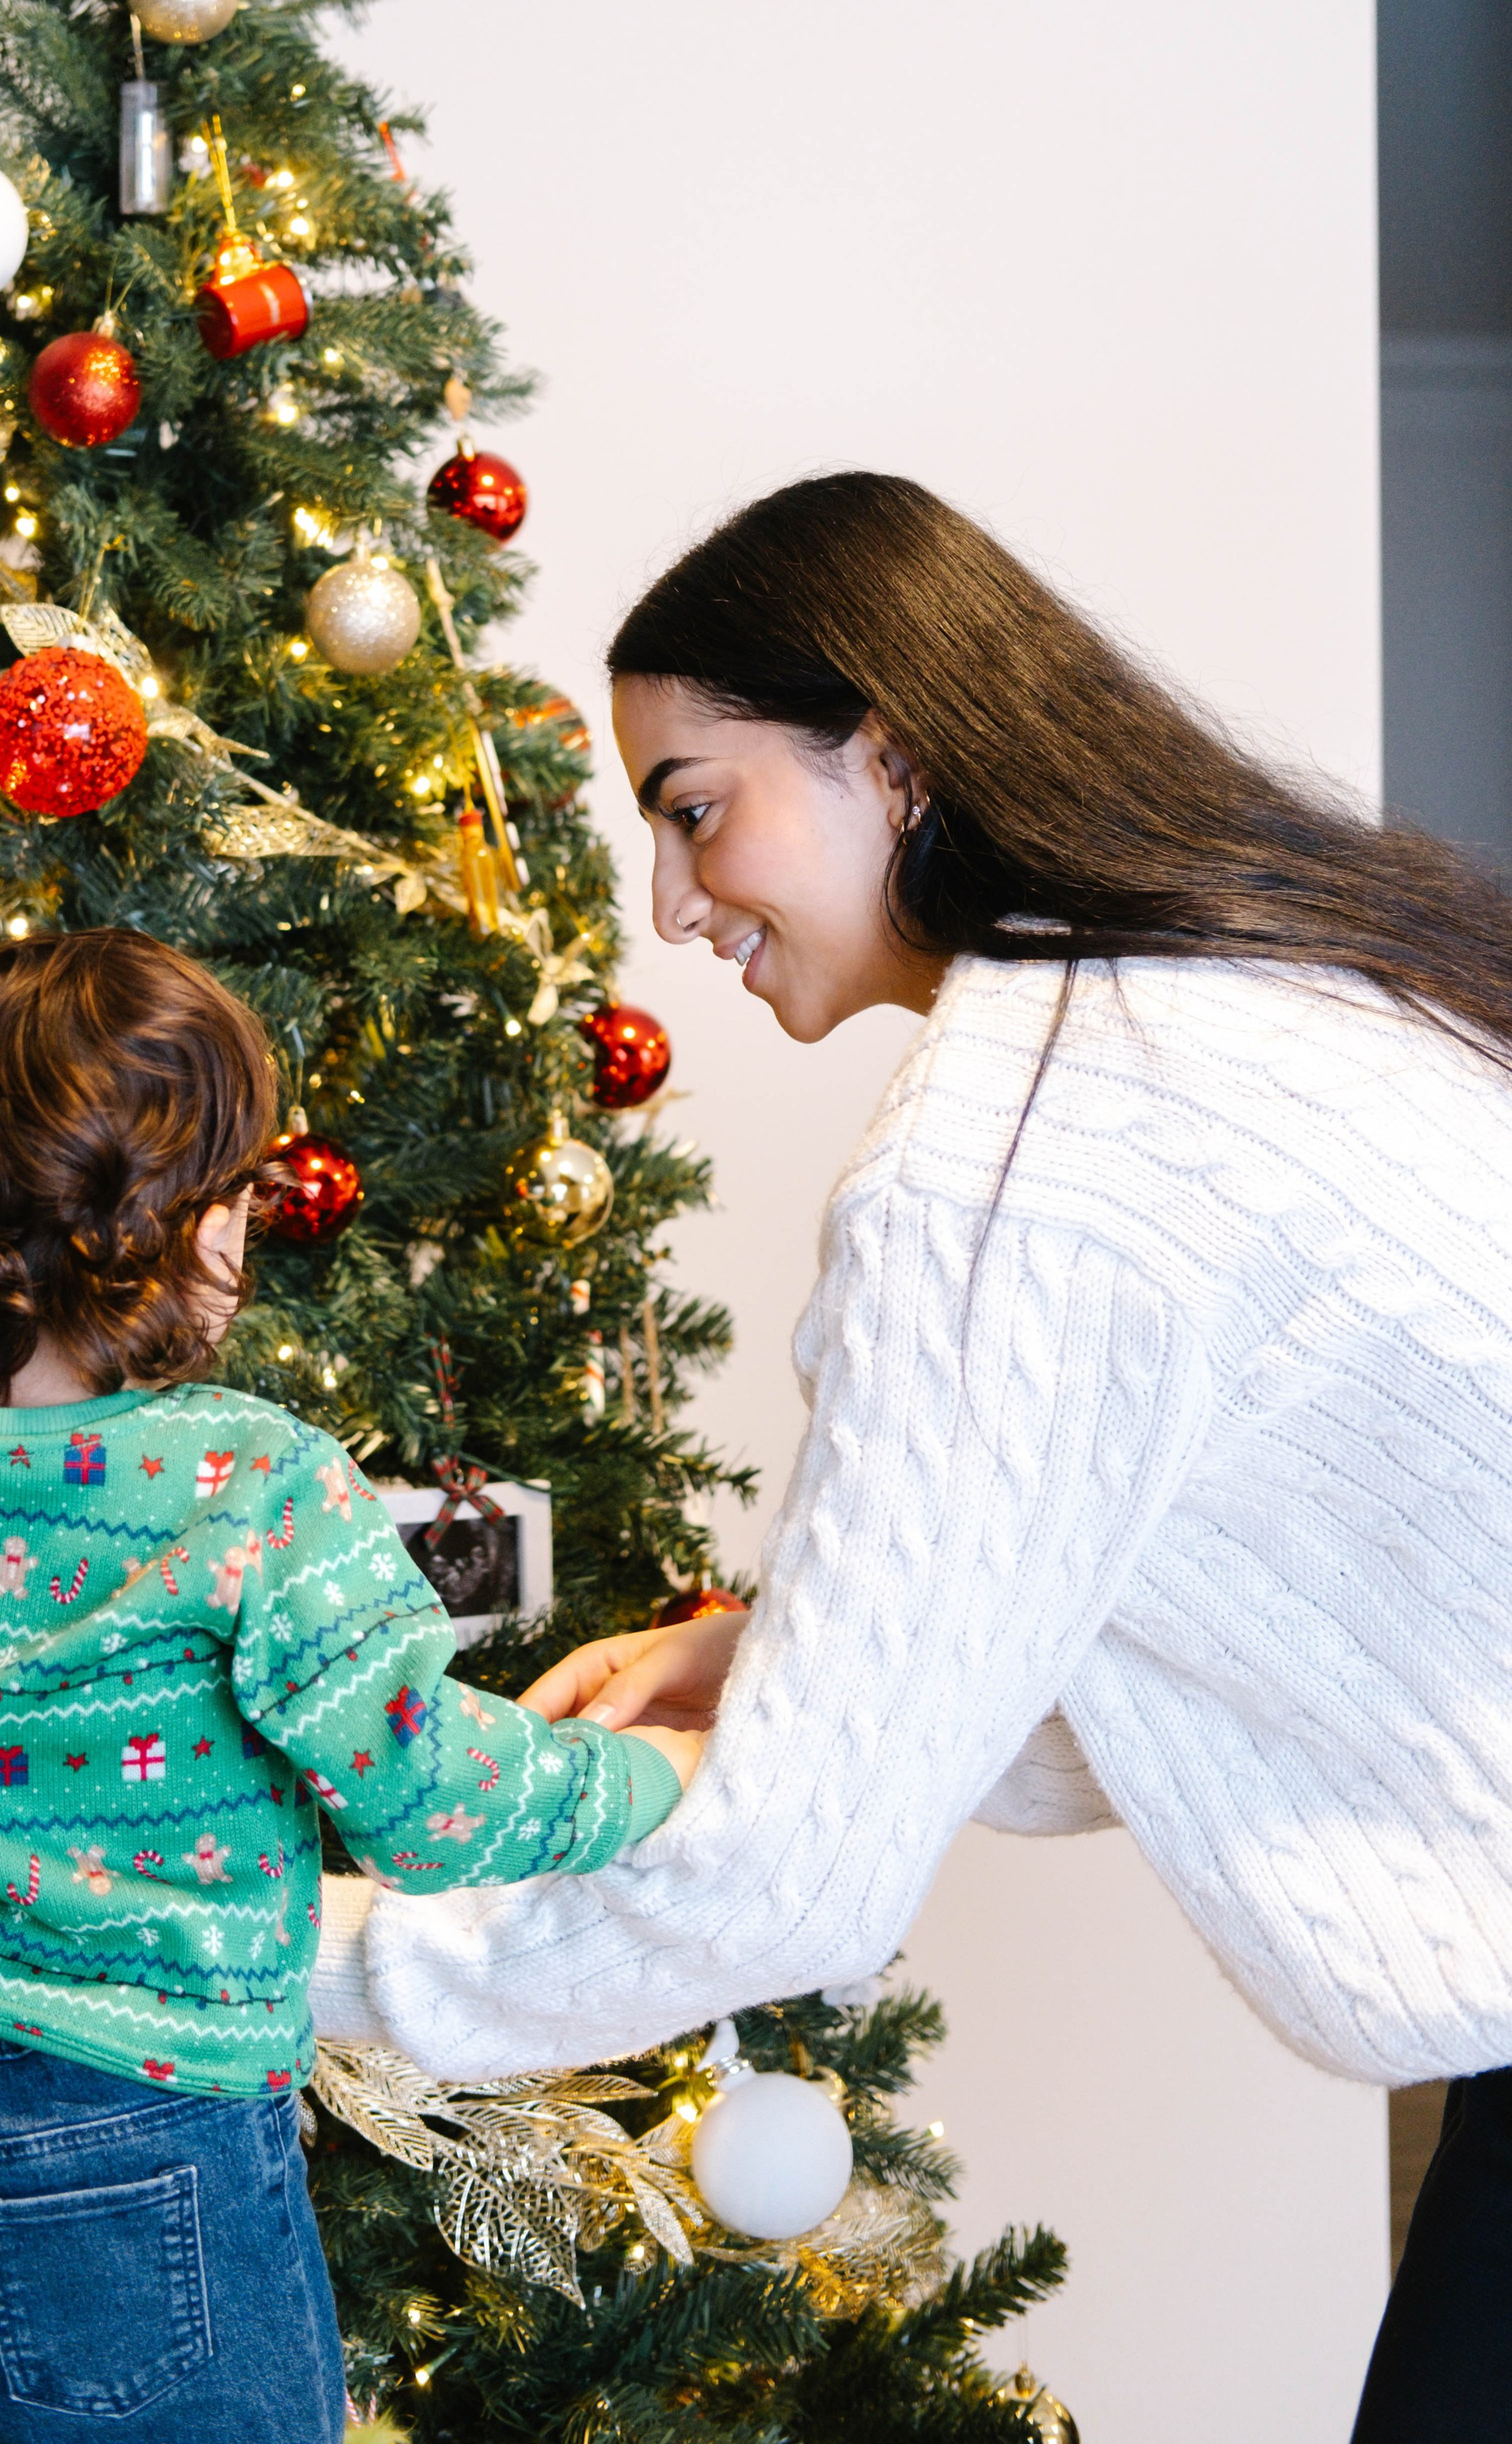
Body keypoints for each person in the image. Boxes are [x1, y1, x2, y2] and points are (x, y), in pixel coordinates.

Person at [305, 469, 1512, 2444]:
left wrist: (281, 1957)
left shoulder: (1014, 1160)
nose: (671, 904)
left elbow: (786, 1876)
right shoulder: (1226, 993)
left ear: (890, 751)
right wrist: (788, 1656)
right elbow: (1261, 1602)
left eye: (695, 808)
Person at [0, 929, 698, 2444]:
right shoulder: (252, 1480)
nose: (250, 1240)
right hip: (131, 2129)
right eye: (235, 1198)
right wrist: (655, 1777)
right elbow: (427, 1805)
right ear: (136, 1224)